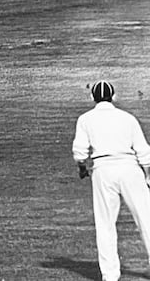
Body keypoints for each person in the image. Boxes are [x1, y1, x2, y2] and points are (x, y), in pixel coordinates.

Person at [72, 81, 150, 281]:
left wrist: (82, 168)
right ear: (113, 96)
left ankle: (110, 275)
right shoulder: (127, 118)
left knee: (105, 223)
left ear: (93, 98)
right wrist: (148, 174)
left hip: (103, 170)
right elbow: (143, 150)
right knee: (146, 219)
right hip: (130, 169)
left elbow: (80, 152)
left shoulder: (85, 119)